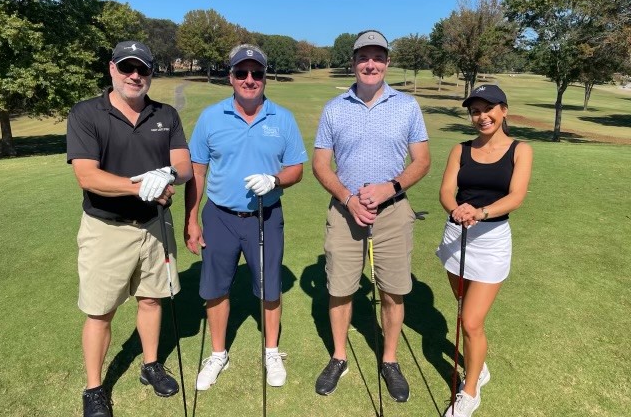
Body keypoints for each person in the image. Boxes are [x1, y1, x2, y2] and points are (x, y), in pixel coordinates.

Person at [66, 41, 193, 417]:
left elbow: (183, 166)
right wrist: (139, 186)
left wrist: (166, 174)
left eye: (143, 69)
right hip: (107, 227)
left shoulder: (165, 114)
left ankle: (150, 364)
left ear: (152, 74)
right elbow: (86, 176)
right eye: (127, 68)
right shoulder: (87, 113)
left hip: (155, 225)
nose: (135, 75)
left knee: (152, 298)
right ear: (112, 69)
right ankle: (93, 388)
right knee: (99, 311)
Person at [312, 30, 431, 402]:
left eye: (378, 57)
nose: (371, 64)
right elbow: (320, 164)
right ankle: (339, 356)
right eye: (364, 57)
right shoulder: (334, 108)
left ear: (387, 62)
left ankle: (390, 360)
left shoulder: (407, 106)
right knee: (340, 288)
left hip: (393, 212)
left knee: (393, 290)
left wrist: (389, 188)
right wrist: (348, 199)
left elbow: (423, 160)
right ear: (354, 62)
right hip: (346, 212)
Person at [184, 43, 307, 391]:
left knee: (269, 287)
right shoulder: (211, 117)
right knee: (214, 288)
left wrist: (275, 180)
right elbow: (197, 171)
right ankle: (218, 353)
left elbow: (296, 168)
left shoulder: (282, 118)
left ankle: (271, 351)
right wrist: (191, 220)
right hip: (220, 216)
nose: (249, 79)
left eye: (256, 73)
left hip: (265, 216)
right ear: (231, 77)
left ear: (265, 77)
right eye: (242, 72)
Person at [436, 84, 533, 417]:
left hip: (491, 241)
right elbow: (447, 191)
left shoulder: (521, 150)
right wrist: (457, 209)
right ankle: (480, 366)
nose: (481, 116)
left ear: (503, 110)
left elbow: (515, 196)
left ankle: (471, 390)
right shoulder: (460, 149)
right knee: (463, 309)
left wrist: (480, 212)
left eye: (488, 108)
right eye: (475, 111)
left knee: (471, 321)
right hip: (456, 236)